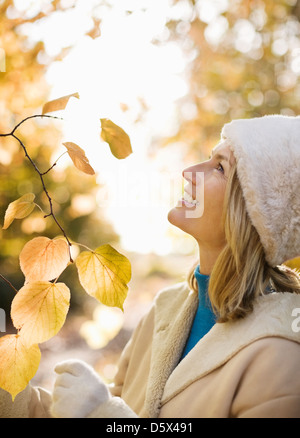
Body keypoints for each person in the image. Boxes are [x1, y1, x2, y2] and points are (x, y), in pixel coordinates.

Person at [1, 114, 300, 418]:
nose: (189, 172)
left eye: (219, 168)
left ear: (255, 212)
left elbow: (106, 415)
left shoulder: (282, 354)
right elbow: (88, 411)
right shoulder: (166, 309)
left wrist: (102, 413)